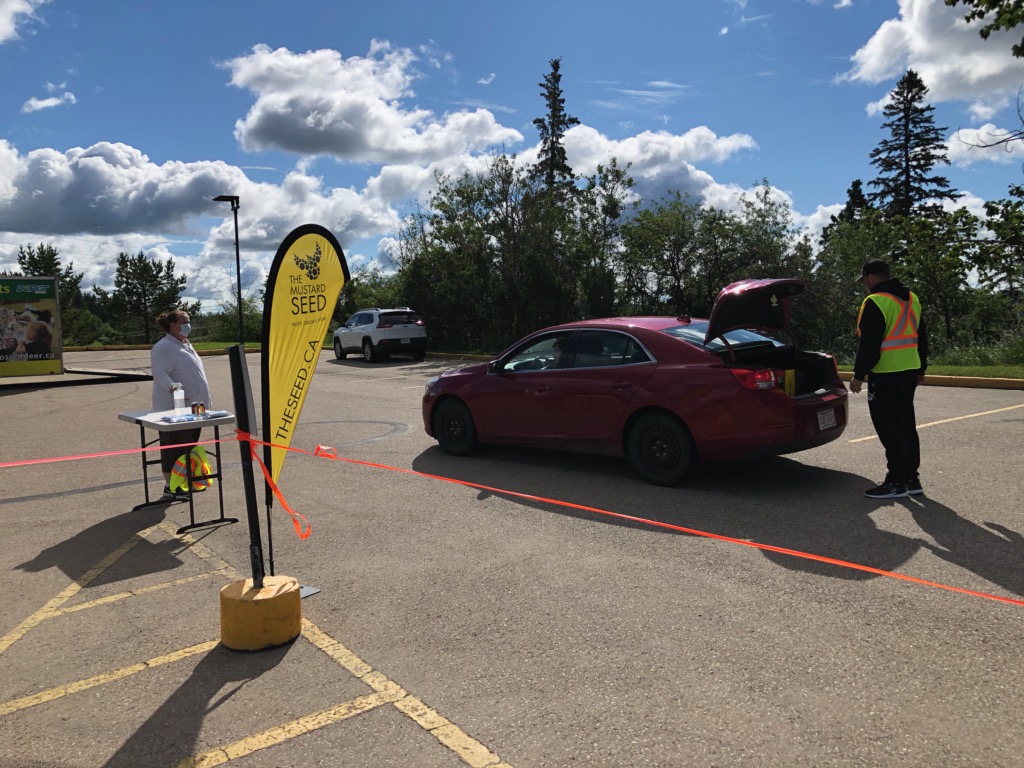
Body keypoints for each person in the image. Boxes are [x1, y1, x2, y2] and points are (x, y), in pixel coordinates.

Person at [849, 259, 929, 500]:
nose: (864, 284)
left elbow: (869, 343)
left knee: (888, 427)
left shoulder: (875, 302)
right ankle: (911, 478)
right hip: (908, 370)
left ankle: (895, 481)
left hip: (885, 374)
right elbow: (921, 336)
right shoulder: (911, 298)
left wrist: (859, 374)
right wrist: (921, 369)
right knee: (906, 424)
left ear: (871, 277)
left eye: (864, 280)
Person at [151, 309, 211, 500]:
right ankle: (171, 487)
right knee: (173, 448)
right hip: (174, 409)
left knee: (188, 446)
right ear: (172, 326)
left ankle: (184, 481)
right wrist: (173, 387)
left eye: (188, 322)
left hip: (194, 408)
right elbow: (159, 374)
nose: (187, 326)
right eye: (183, 323)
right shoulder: (164, 347)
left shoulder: (184, 344)